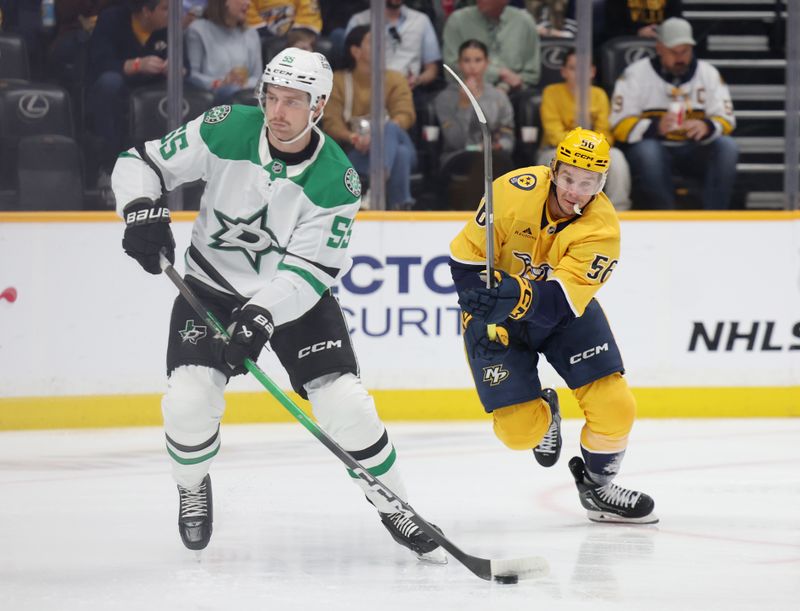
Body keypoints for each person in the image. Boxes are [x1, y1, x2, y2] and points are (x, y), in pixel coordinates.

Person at [111, 47, 445, 562]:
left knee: (346, 405)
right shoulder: (227, 127)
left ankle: (395, 503)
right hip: (210, 286)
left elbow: (309, 270)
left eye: (293, 101)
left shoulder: (337, 178)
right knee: (187, 403)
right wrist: (139, 209)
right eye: (272, 97)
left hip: (296, 300)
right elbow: (141, 162)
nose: (278, 112)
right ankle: (192, 484)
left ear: (318, 107)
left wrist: (262, 312)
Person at [449, 127, 658, 524]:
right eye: (567, 178)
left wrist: (515, 294)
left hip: (563, 318)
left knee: (616, 408)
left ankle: (597, 487)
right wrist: (479, 299)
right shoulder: (511, 191)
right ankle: (546, 414)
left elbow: (560, 304)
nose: (574, 191)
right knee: (518, 433)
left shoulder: (602, 229)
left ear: (601, 183)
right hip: (497, 321)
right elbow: (465, 259)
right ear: (552, 170)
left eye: (588, 182)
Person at [610, 17, 738, 210]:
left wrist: (707, 126)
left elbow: (727, 119)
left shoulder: (708, 73)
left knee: (727, 147)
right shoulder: (635, 74)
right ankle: (666, 215)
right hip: (654, 148)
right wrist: (655, 127)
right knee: (648, 152)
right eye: (673, 52)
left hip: (693, 148)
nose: (680, 58)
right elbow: (618, 124)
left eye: (685, 51)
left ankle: (714, 215)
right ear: (659, 47)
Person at [323, 25, 417, 210]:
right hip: (359, 149)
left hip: (393, 136)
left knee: (389, 128)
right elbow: (331, 121)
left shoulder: (395, 79)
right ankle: (400, 206)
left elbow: (405, 113)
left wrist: (377, 137)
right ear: (356, 51)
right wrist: (353, 137)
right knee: (401, 154)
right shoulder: (339, 81)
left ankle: (374, 188)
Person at [86, 0, 171, 177]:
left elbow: (185, 67)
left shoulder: (169, 28)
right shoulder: (112, 19)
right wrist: (137, 65)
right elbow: (100, 63)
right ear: (147, 11)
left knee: (180, 88)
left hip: (154, 88)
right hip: (121, 88)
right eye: (165, 9)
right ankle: (109, 165)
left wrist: (176, 68)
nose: (170, 14)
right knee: (109, 83)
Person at [539, 49, 631, 210]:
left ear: (592, 72)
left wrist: (588, 150)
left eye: (584, 69)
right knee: (546, 160)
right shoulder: (551, 92)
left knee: (617, 157)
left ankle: (619, 210)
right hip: (559, 150)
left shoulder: (599, 95)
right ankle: (549, 209)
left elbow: (606, 134)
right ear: (564, 72)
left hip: (594, 153)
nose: (579, 74)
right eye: (573, 68)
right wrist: (581, 147)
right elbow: (553, 133)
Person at [433, 39, 514, 209]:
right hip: (457, 156)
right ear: (459, 64)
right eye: (467, 60)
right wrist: (464, 105)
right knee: (479, 162)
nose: (472, 66)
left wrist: (501, 145)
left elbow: (508, 134)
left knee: (494, 161)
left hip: (494, 156)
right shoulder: (445, 98)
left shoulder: (499, 97)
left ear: (487, 63)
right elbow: (455, 141)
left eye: (478, 60)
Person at [442, 0, 541, 95]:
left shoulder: (524, 22)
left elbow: (532, 74)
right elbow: (451, 68)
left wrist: (504, 87)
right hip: (467, 92)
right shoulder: (457, 21)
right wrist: (499, 73)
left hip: (514, 93)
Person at [346, 0, 441, 92]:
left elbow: (432, 69)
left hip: (410, 91)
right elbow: (349, 65)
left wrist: (418, 80)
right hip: (368, 91)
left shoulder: (421, 20)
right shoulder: (358, 21)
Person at [186, 0, 262, 105]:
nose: (248, 3)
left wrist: (243, 84)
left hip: (245, 92)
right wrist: (220, 83)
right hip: (212, 94)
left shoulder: (251, 34)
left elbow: (258, 77)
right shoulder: (198, 30)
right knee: (232, 92)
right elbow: (192, 75)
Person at [602, 0, 681, 42]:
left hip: (663, 40)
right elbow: (612, 29)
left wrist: (662, 31)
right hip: (628, 40)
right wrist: (638, 32)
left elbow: (677, 23)